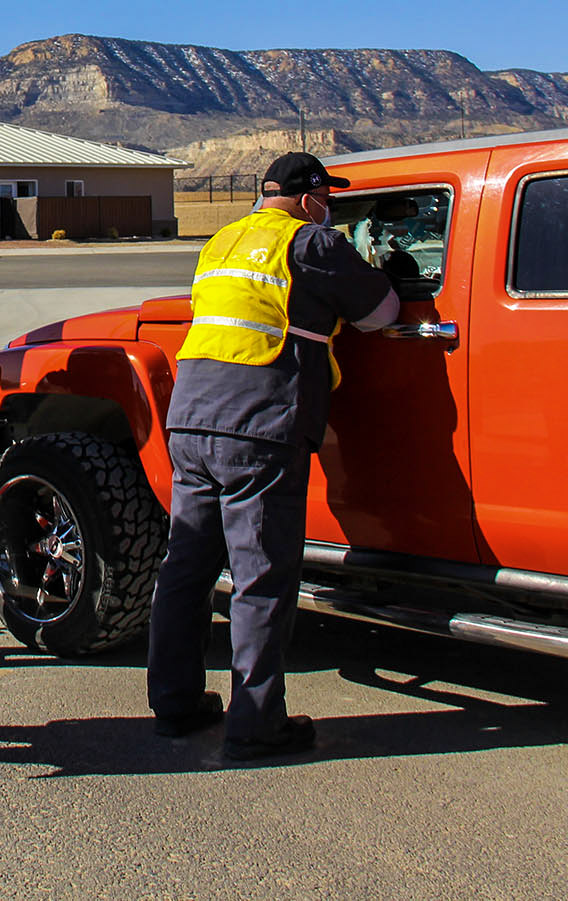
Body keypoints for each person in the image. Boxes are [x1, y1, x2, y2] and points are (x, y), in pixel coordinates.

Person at [146, 152, 398, 757]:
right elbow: (382, 313)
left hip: (192, 419)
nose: (329, 210)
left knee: (186, 568)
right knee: (260, 577)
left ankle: (174, 705)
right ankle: (257, 724)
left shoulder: (220, 242)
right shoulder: (312, 244)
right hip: (259, 426)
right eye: (327, 201)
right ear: (311, 200)